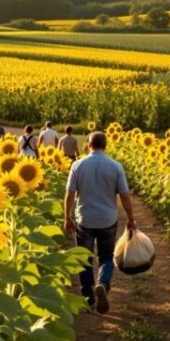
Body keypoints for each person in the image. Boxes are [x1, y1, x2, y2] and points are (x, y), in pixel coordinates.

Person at [63, 131, 136, 314]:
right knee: (106, 256)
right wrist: (131, 218)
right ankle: (102, 283)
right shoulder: (115, 166)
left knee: (85, 259)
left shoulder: (78, 165)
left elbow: (70, 194)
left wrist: (67, 217)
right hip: (107, 220)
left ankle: (88, 296)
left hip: (84, 220)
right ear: (106, 145)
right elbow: (125, 196)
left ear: (88, 145)